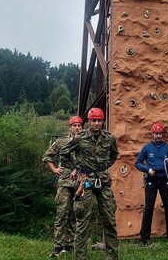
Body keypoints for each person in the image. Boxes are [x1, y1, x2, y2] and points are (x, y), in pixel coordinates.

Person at [59, 107, 119, 260]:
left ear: (102, 121)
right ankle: (80, 257)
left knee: (109, 220)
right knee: (82, 221)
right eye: (94, 121)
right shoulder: (79, 138)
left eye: (99, 121)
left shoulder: (109, 138)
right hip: (85, 181)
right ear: (89, 122)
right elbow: (64, 153)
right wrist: (76, 167)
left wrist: (104, 167)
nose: (97, 124)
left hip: (103, 181)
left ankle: (112, 256)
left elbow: (114, 154)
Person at [43, 115, 83, 257]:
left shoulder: (85, 142)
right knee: (62, 212)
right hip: (64, 182)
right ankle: (58, 245)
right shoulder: (61, 141)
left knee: (75, 213)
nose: (77, 128)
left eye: (79, 125)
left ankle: (69, 243)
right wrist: (54, 169)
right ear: (70, 127)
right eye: (74, 125)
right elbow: (47, 156)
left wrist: (78, 170)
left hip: (79, 182)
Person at [135, 121, 168, 245]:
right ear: (152, 134)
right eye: (156, 133)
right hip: (151, 179)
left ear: (162, 134)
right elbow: (137, 163)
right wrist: (147, 169)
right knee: (148, 208)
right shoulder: (147, 148)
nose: (158, 136)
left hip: (164, 179)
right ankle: (144, 238)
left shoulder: (167, 147)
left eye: (160, 134)